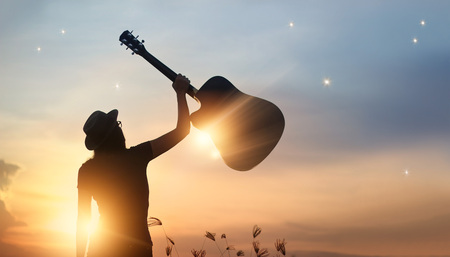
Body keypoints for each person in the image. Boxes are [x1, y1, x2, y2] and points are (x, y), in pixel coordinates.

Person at [76, 74, 191, 257]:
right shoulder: (137, 156)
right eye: (118, 126)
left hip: (101, 248)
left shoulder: (87, 171)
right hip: (137, 249)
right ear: (115, 134)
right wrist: (180, 93)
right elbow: (182, 131)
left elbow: (82, 219)